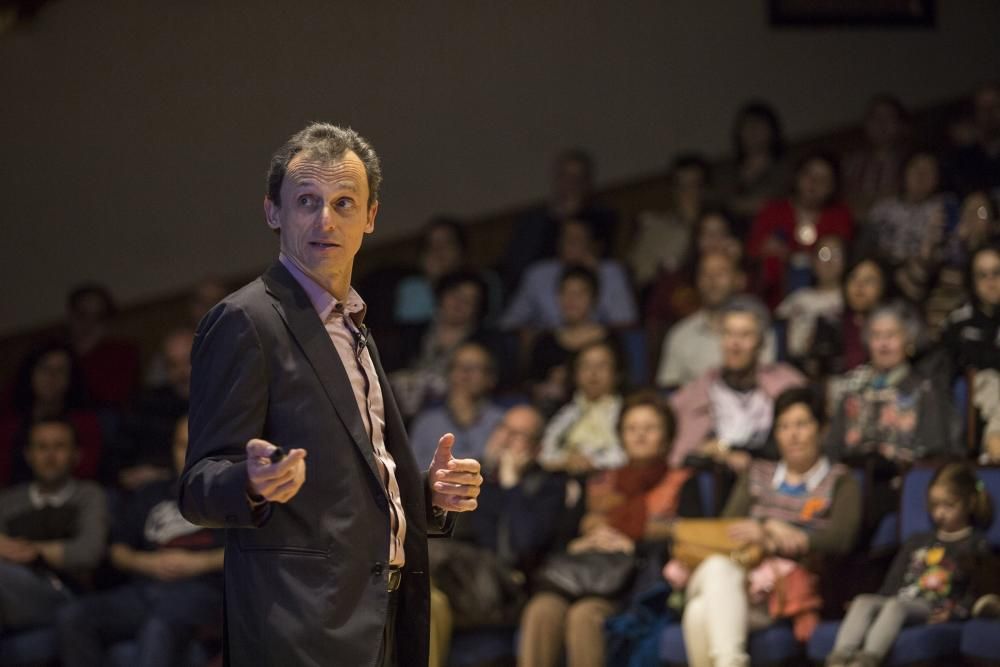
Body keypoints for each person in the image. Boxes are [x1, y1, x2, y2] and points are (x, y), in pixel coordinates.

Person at [177, 123, 483, 667]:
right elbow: (198, 486)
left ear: (370, 218)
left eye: (344, 202)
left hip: (383, 616)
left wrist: (427, 494)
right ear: (273, 211)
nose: (325, 219)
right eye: (307, 201)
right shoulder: (245, 321)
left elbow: (360, 477)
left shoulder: (355, 322)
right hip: (299, 628)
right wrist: (249, 481)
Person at [663, 387, 862, 667]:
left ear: (822, 429)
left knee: (698, 612)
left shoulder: (840, 480)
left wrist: (781, 541)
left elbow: (840, 539)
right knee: (720, 569)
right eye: (783, 426)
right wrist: (767, 526)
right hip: (734, 574)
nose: (792, 435)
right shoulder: (757, 473)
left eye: (802, 424)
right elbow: (726, 528)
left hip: (783, 595)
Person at [518, 392, 699, 667]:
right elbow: (565, 535)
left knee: (585, 615)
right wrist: (581, 544)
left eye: (650, 429)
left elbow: (687, 537)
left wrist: (630, 544)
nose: (639, 436)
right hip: (585, 574)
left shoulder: (682, 481)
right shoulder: (599, 480)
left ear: (668, 436)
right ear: (620, 435)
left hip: (637, 582)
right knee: (541, 609)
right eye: (631, 429)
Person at [57, 416, 225, 667]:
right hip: (145, 589)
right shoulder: (151, 492)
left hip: (202, 591)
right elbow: (117, 550)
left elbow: (247, 553)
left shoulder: (228, 495)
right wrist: (145, 562)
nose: (189, 454)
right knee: (72, 615)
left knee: (158, 626)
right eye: (181, 445)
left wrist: (199, 562)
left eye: (197, 444)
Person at [826, 463, 997, 667]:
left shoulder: (975, 543)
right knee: (864, 601)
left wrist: (955, 613)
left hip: (931, 607)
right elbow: (894, 580)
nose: (940, 513)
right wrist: (877, 600)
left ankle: (866, 660)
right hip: (899, 601)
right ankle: (839, 658)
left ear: (969, 503)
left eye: (949, 505)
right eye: (934, 505)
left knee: (895, 606)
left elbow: (977, 590)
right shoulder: (917, 541)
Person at [824, 301, 960, 541]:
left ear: (908, 340)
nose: (883, 344)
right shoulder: (853, 386)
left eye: (891, 335)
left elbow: (936, 449)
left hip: (899, 487)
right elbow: (833, 447)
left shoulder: (924, 389)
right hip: (851, 483)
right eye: (876, 336)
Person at [669, 296, 805, 470]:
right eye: (728, 333)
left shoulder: (787, 384)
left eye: (745, 335)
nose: (735, 344)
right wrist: (716, 451)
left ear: (761, 341)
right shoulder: (697, 392)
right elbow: (680, 451)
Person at [0, 418, 107, 634]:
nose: (50, 456)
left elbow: (88, 553)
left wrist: (30, 550)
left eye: (59, 447)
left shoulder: (89, 495)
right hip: (11, 592)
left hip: (66, 593)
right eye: (41, 447)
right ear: (28, 455)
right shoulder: (9, 500)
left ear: (76, 455)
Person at [501, 149, 618, 291]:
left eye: (577, 178)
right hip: (542, 289)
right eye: (566, 176)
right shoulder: (533, 221)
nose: (571, 183)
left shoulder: (602, 217)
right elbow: (517, 265)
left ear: (587, 183)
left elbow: (601, 259)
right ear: (556, 179)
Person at [748, 153, 854, 309]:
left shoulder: (839, 216)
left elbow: (841, 257)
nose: (814, 183)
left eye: (823, 179)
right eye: (809, 175)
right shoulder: (773, 210)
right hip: (773, 297)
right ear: (797, 176)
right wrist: (767, 248)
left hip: (825, 299)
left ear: (832, 187)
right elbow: (752, 249)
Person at [656, 252, 776, 389]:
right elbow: (669, 391)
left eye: (721, 272)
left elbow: (768, 379)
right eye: (705, 273)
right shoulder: (680, 334)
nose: (712, 279)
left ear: (739, 280)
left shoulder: (759, 327)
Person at [501, 218, 637, 330]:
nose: (570, 244)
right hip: (549, 344)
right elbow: (509, 322)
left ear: (594, 245)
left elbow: (625, 323)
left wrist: (595, 275)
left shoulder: (611, 272)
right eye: (566, 238)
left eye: (577, 239)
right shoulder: (538, 274)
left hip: (596, 346)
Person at [0, 342, 103, 486]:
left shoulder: (85, 423)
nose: (51, 377)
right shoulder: (9, 424)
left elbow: (88, 472)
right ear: (31, 373)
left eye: (60, 370)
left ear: (70, 378)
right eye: (44, 368)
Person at [108, 328, 193, 490]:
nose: (182, 373)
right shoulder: (147, 404)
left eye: (188, 362)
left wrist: (163, 474)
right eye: (173, 365)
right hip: (150, 495)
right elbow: (116, 463)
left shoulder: (223, 400)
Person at [528, 265, 610, 414]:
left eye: (579, 293)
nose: (571, 300)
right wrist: (548, 387)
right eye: (565, 293)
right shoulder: (544, 342)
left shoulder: (610, 340)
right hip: (555, 414)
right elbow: (531, 385)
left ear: (594, 298)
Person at [538, 338, 627, 475]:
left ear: (617, 373)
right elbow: (545, 453)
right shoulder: (565, 412)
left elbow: (630, 454)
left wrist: (594, 462)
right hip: (564, 478)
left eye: (602, 366)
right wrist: (566, 461)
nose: (593, 373)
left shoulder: (628, 412)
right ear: (575, 375)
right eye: (585, 366)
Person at [407, 341, 505, 466]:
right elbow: (413, 473)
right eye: (458, 366)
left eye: (473, 368)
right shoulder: (426, 423)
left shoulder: (502, 421)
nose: (465, 374)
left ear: (490, 378)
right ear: (448, 374)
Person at [628, 153, 712, 290]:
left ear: (705, 189)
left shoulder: (717, 222)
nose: (686, 192)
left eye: (693, 184)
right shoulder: (655, 225)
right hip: (659, 292)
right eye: (680, 185)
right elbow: (637, 272)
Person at [809, 256, 890, 379]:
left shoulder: (893, 327)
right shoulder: (829, 324)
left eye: (869, 280)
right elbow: (817, 373)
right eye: (853, 277)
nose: (859, 285)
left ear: (883, 287)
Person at [65, 283, 141, 408]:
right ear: (70, 317)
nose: (89, 323)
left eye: (98, 317)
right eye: (82, 315)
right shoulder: (56, 353)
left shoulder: (124, 352)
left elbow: (114, 398)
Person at [715, 101, 790, 227]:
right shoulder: (726, 171)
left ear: (772, 131)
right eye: (747, 125)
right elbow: (717, 201)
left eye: (759, 126)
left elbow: (774, 204)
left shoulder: (784, 168)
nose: (753, 131)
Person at [776, 235, 845, 363]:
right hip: (796, 366)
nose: (829, 261)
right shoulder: (798, 297)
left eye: (836, 254)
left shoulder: (850, 299)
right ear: (813, 261)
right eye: (823, 254)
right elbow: (777, 325)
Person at [841, 95, 910, 218]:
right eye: (874, 117)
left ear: (901, 125)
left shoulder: (910, 162)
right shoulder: (851, 163)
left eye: (889, 117)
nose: (881, 124)